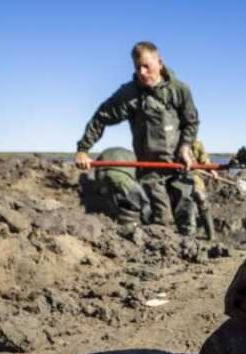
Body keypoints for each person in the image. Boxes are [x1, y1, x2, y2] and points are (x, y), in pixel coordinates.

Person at [74, 41, 200, 235]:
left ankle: (192, 260)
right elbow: (101, 118)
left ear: (160, 62)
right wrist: (83, 149)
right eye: (137, 67)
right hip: (150, 169)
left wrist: (185, 147)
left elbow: (191, 122)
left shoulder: (180, 90)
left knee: (187, 218)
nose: (141, 72)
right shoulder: (129, 94)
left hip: (179, 165)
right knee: (162, 221)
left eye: (146, 66)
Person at [92, 147, 152, 226]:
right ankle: (135, 223)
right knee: (143, 200)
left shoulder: (109, 153)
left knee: (112, 196)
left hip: (104, 174)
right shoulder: (133, 156)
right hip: (120, 175)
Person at [189, 139, 216, 240]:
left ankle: (211, 236)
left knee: (203, 202)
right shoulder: (173, 139)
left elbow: (204, 159)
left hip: (195, 178)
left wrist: (212, 170)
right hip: (178, 178)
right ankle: (189, 238)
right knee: (186, 207)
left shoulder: (196, 142)